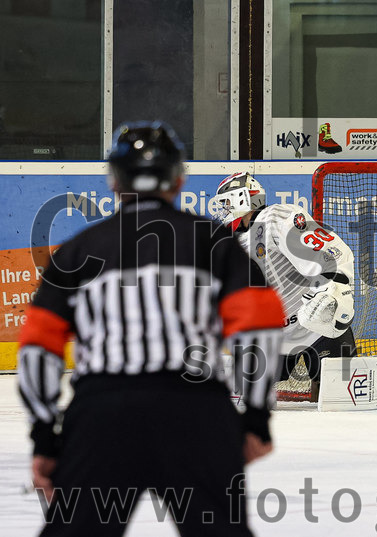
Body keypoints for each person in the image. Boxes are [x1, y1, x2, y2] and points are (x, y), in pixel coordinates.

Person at [17, 122, 285, 535]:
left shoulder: (77, 251)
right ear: (178, 180)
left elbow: (37, 347)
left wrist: (44, 437)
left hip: (102, 417)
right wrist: (254, 419)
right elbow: (260, 330)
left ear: (113, 182)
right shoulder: (215, 242)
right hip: (196, 414)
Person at [212, 172, 357, 402]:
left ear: (242, 197)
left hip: (317, 324)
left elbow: (333, 253)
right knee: (241, 396)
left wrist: (334, 290)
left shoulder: (276, 217)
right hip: (273, 336)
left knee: (338, 397)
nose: (224, 208)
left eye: (227, 201)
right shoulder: (233, 243)